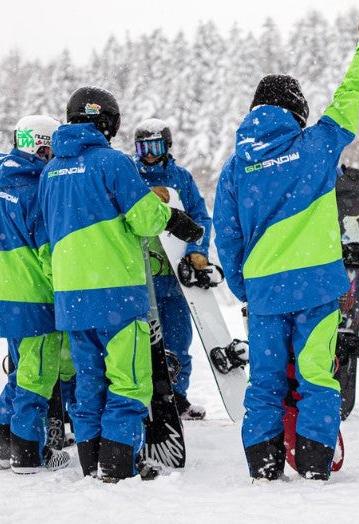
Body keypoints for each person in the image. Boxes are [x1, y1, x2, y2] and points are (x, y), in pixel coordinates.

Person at [213, 9, 359, 481]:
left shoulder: (235, 168)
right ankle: (313, 463)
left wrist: (245, 287)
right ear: (298, 112)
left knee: (265, 383)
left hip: (266, 291)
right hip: (316, 290)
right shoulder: (316, 146)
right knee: (316, 378)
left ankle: (264, 467)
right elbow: (352, 94)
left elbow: (224, 235)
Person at [38, 86, 203, 481]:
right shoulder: (112, 164)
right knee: (129, 382)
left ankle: (91, 462)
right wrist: (174, 218)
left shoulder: (50, 173)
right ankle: (117, 466)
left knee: (89, 384)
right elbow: (145, 219)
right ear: (109, 123)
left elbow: (43, 240)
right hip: (116, 296)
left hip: (71, 299)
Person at [0, 115, 71, 473]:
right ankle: (29, 452)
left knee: (18, 371)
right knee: (37, 375)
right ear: (42, 146)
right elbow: (49, 253)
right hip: (34, 298)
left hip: (5, 297)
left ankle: (3, 442)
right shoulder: (36, 189)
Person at [134, 118, 213, 420]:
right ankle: (146, 396)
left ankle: (177, 395)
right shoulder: (131, 175)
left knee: (178, 340)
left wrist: (196, 252)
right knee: (145, 340)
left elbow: (200, 218)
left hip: (176, 276)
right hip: (142, 277)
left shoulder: (180, 177)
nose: (149, 154)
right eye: (143, 148)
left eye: (155, 146)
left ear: (167, 146)